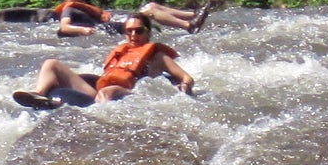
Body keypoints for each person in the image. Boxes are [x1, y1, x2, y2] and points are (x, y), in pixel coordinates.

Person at [13, 13, 194, 109]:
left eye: (138, 31)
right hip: (99, 92)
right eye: (128, 30)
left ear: (147, 31)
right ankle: (39, 95)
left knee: (108, 90)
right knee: (51, 64)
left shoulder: (158, 56)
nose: (133, 35)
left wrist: (184, 87)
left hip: (129, 93)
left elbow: (187, 78)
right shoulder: (121, 52)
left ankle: (101, 121)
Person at [54, 0, 212, 36]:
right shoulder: (69, 9)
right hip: (111, 28)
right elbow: (64, 27)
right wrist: (83, 31)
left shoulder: (83, 8)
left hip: (114, 22)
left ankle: (192, 15)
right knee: (149, 11)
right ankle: (189, 27)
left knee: (152, 5)